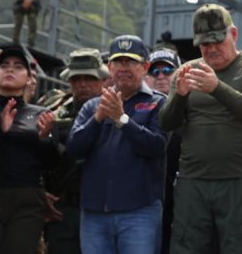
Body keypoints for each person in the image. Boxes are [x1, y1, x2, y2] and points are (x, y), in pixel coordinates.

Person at [159, 4, 242, 254]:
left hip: (240, 180)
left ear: (233, 34)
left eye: (217, 41)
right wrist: (179, 96)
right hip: (193, 181)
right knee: (187, 247)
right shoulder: (186, 71)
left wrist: (216, 87)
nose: (211, 49)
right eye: (204, 44)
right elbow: (166, 123)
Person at [66, 36, 167, 254]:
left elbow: (157, 146)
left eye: (130, 62)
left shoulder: (158, 103)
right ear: (109, 67)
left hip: (139, 213)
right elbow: (73, 149)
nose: (123, 68)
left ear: (145, 67)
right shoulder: (92, 106)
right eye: (118, 62)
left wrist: (122, 120)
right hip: (94, 214)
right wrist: (98, 118)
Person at [0, 45, 58, 254]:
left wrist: (44, 137)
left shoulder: (42, 113)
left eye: (18, 66)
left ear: (29, 79)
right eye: (4, 66)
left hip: (27, 198)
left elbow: (52, 163)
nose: (10, 69)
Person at [44, 49, 108, 254]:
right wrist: (40, 193)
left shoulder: (117, 109)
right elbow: (35, 158)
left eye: (89, 77)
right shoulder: (53, 111)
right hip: (63, 208)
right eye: (76, 78)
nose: (83, 84)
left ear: (102, 79)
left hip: (104, 207)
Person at [145, 49, 182, 254]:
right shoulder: (133, 108)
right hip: (147, 198)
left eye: (167, 70)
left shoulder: (193, 106)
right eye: (154, 71)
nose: (160, 76)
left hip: (182, 201)